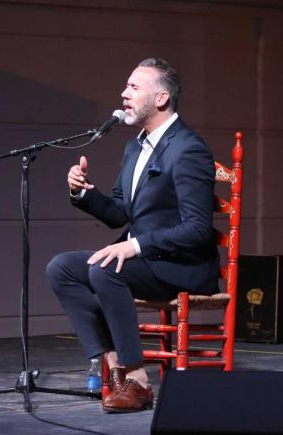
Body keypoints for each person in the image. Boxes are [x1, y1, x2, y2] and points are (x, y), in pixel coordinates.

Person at [47, 58, 218, 413]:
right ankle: (111, 366)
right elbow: (122, 213)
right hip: (145, 260)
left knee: (105, 267)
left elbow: (199, 229)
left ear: (161, 98)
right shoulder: (135, 146)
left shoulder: (188, 148)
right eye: (126, 87)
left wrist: (135, 245)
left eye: (133, 87)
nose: (123, 94)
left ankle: (138, 380)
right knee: (62, 268)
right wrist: (84, 193)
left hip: (180, 265)